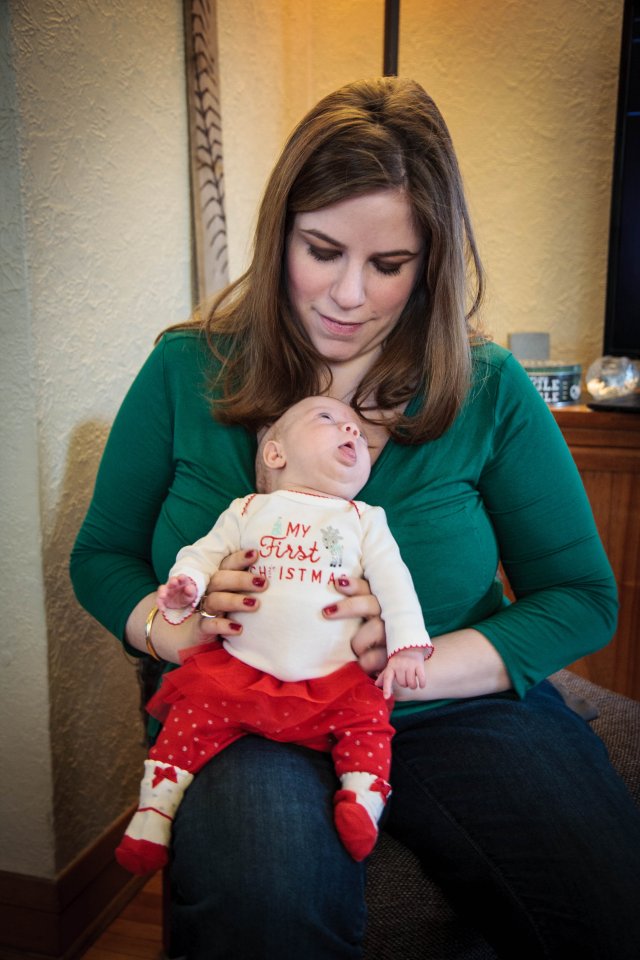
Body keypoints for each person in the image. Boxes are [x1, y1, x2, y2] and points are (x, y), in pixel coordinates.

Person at [70, 76, 640, 959]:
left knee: (606, 902)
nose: (345, 295)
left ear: (432, 262)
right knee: (266, 908)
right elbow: (101, 555)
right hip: (249, 710)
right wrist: (166, 632)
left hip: (452, 709)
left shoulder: (488, 389)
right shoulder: (188, 370)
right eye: (320, 249)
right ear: (280, 234)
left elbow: (580, 595)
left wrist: (417, 664)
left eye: (387, 265)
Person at [115, 395, 432, 873]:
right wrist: (188, 586)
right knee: (189, 718)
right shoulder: (247, 509)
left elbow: (396, 585)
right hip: (243, 671)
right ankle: (153, 812)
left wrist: (408, 646)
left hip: (334, 680)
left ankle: (362, 801)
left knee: (369, 722)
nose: (352, 433)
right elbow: (202, 553)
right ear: (276, 454)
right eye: (330, 420)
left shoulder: (365, 520)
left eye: (360, 435)